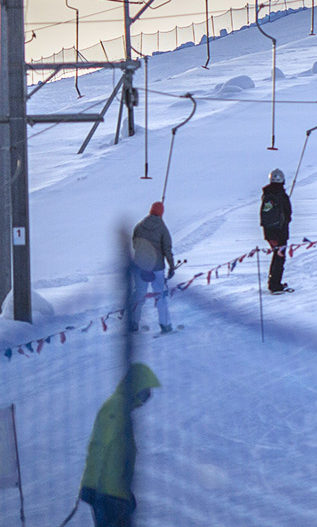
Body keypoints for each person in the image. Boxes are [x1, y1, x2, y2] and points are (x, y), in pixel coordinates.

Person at [79, 363, 161, 527]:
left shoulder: (121, 408)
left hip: (112, 494)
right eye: (146, 391)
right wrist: (92, 486)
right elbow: (100, 446)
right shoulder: (116, 407)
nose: (148, 397)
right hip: (107, 495)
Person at [129, 202, 175, 333]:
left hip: (140, 267)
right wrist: (172, 266)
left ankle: (133, 322)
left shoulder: (139, 226)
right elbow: (167, 249)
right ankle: (165, 325)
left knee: (138, 294)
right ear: (161, 213)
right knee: (160, 295)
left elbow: (135, 245)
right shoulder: (163, 229)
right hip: (157, 268)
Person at [260, 167, 293, 292]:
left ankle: (273, 282)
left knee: (276, 256)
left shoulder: (267, 194)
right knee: (279, 258)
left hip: (268, 231)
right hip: (281, 232)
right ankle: (275, 284)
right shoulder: (281, 195)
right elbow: (288, 214)